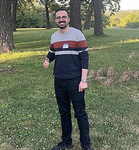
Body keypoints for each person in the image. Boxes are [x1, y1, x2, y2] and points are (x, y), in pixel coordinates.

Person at [43, 8, 91, 150]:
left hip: (75, 81)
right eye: (58, 17)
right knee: (64, 113)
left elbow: (84, 57)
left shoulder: (77, 35)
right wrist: (47, 59)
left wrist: (83, 80)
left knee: (80, 113)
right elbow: (52, 51)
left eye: (64, 17)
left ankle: (86, 145)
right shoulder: (54, 36)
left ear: (68, 19)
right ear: (56, 20)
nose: (61, 19)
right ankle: (66, 142)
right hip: (59, 80)